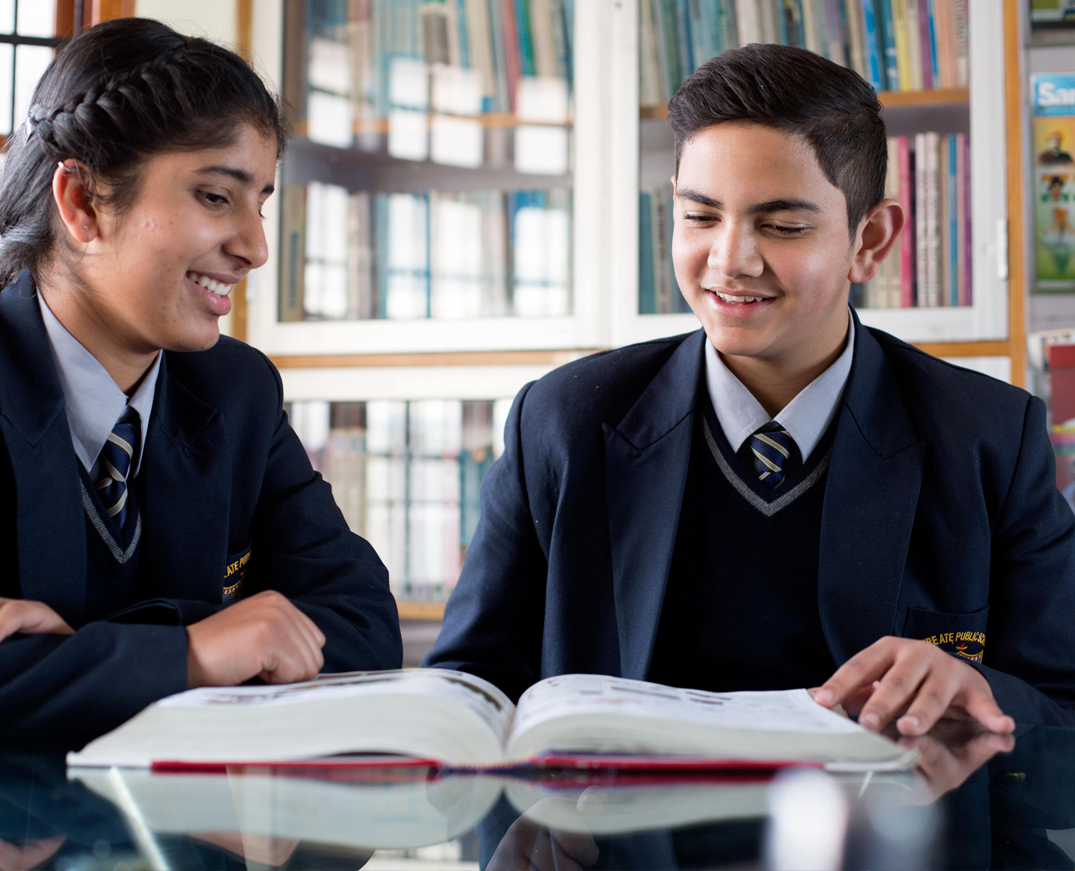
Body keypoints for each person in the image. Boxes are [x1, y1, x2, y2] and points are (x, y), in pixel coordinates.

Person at [426, 44, 1075, 736]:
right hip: (616, 840)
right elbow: (468, 698)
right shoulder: (561, 423)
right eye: (700, 217)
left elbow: (1062, 707)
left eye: (782, 225)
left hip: (888, 839)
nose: (730, 260)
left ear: (871, 240)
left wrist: (975, 688)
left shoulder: (988, 438)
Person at [0, 18, 400, 746]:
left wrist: (96, 645)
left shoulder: (237, 391)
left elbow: (360, 624)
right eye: (217, 197)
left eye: (261, 201)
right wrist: (189, 653)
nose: (254, 246)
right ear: (83, 203)